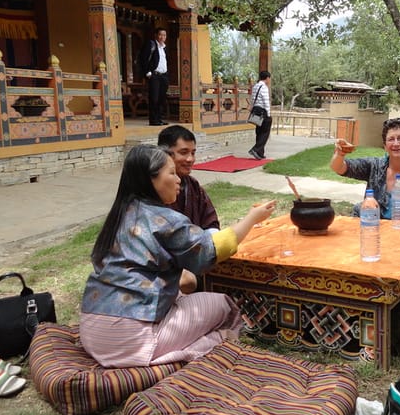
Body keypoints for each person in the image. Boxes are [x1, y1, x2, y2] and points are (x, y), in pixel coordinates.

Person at [79, 144, 276, 367]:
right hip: (132, 339)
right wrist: (253, 218)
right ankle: (207, 345)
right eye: (171, 173)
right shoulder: (166, 220)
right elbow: (211, 250)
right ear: (150, 179)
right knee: (224, 305)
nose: (178, 179)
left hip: (92, 331)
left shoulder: (120, 214)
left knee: (185, 293)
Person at [330, 117, 400, 221]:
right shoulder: (374, 167)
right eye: (391, 139)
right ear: (385, 145)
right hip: (372, 231)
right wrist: (340, 154)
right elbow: (339, 168)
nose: (396, 143)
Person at [158, 125, 220, 231]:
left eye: (193, 153)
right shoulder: (155, 188)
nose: (190, 159)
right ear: (165, 154)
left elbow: (210, 221)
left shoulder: (192, 184)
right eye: (183, 153)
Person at [139, 27, 169, 126]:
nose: (162, 37)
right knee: (154, 98)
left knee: (161, 98)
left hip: (163, 76)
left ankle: (159, 119)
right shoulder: (151, 45)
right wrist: (148, 72)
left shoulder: (164, 47)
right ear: (156, 35)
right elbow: (143, 58)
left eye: (164, 35)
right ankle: (153, 120)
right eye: (160, 35)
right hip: (154, 75)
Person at [248, 70, 272, 160]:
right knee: (265, 132)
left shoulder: (255, 86)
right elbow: (266, 101)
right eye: (269, 78)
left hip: (256, 110)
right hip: (263, 111)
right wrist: (268, 114)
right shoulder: (264, 87)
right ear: (267, 78)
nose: (269, 80)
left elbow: (252, 99)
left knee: (259, 131)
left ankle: (260, 153)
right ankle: (256, 149)